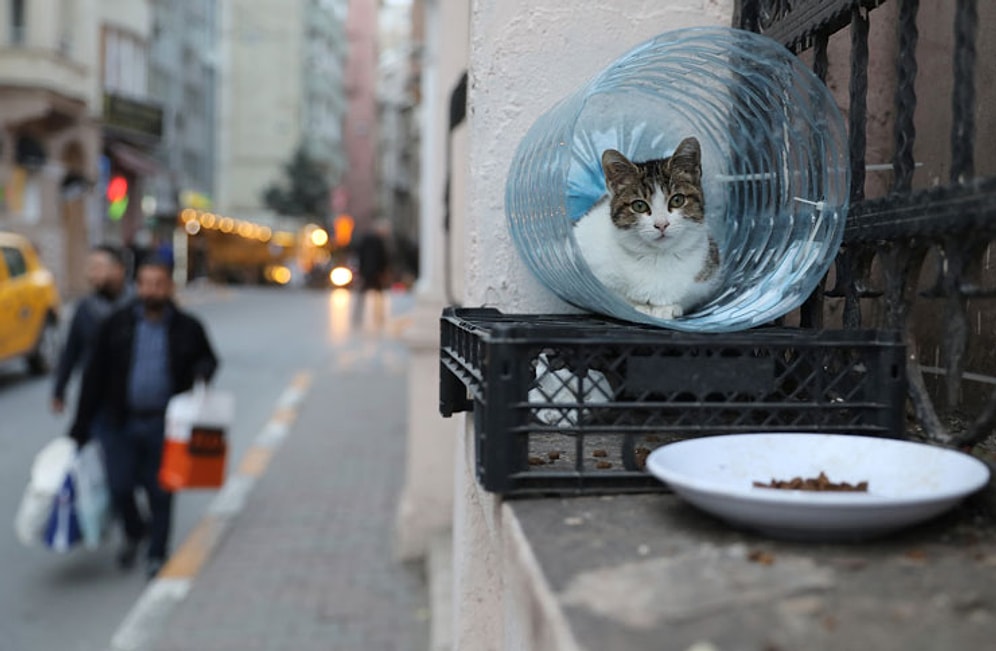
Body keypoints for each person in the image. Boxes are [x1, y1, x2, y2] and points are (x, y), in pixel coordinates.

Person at [69, 257, 219, 579]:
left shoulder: (187, 327)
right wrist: (80, 426)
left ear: (169, 287)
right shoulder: (116, 325)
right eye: (145, 284)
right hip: (120, 422)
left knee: (162, 490)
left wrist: (201, 372)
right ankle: (134, 531)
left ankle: (157, 552)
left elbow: (208, 359)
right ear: (137, 286)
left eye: (158, 284)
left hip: (166, 425)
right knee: (120, 486)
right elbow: (93, 377)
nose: (151, 291)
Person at [51, 244, 129, 414]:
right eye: (90, 268)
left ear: (118, 269)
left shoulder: (137, 305)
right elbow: (71, 351)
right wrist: (59, 390)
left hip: (131, 399)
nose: (92, 274)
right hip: (96, 397)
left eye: (98, 267)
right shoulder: (85, 308)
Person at [352, 219, 392, 329]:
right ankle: (379, 316)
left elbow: (360, 255)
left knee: (363, 294)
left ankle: (359, 316)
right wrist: (382, 271)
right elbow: (382, 258)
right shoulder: (378, 241)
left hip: (367, 271)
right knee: (374, 294)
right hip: (374, 272)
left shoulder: (367, 239)